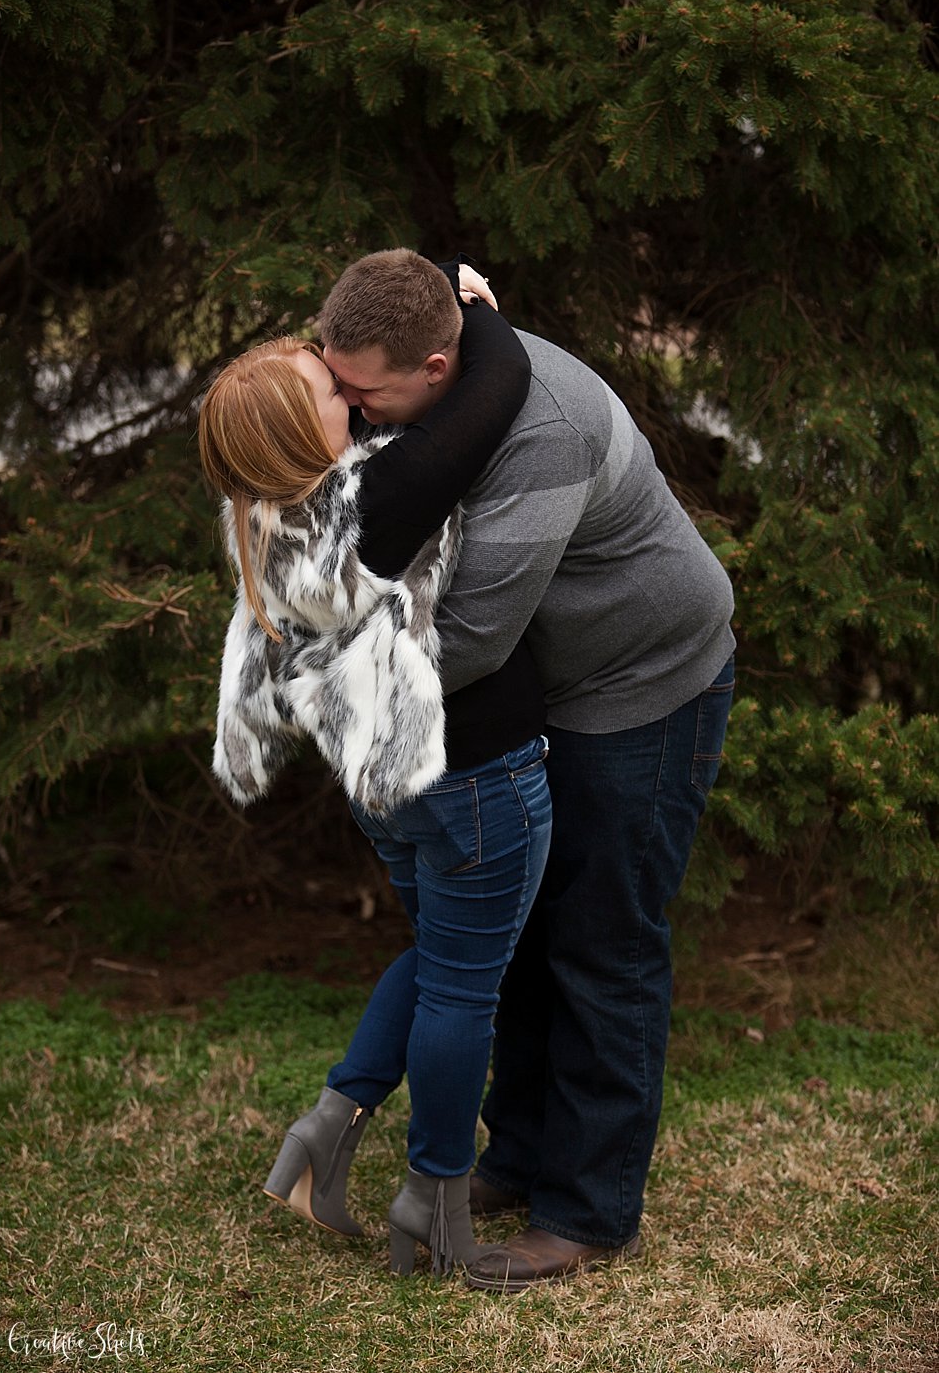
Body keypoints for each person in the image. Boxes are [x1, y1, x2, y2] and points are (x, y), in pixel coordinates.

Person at [319, 249, 736, 1292]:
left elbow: (468, 641)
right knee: (524, 930)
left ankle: (587, 1210)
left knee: (602, 942)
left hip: (643, 680)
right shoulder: (437, 373)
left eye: (364, 395)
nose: (350, 413)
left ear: (434, 367)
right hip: (559, 679)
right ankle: (520, 1154)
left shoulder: (541, 431)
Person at [198, 261, 552, 1278]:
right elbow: (496, 384)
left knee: (442, 956)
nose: (349, 396)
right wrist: (472, 306)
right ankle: (434, 1199)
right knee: (463, 990)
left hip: (382, 783)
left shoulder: (265, 511)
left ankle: (330, 1125)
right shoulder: (375, 499)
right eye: (330, 393)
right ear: (301, 440)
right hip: (477, 777)